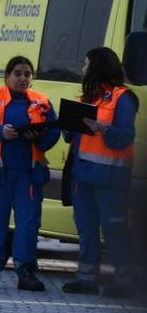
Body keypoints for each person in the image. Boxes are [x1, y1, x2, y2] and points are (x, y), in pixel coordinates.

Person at [0, 56, 60, 291]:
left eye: (27, 74)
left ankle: (26, 272)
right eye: (17, 73)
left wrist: (38, 137)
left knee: (28, 225)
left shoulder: (42, 102)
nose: (22, 78)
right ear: (7, 76)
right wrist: (0, 132)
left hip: (28, 176)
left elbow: (52, 132)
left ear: (32, 78)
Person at [62, 47, 139, 298]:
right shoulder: (87, 98)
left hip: (110, 178)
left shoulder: (123, 98)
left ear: (96, 67)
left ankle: (126, 281)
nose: (82, 70)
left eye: (85, 65)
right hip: (83, 176)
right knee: (86, 227)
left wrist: (103, 128)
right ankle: (86, 279)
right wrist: (68, 128)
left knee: (114, 228)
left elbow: (125, 137)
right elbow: (75, 139)